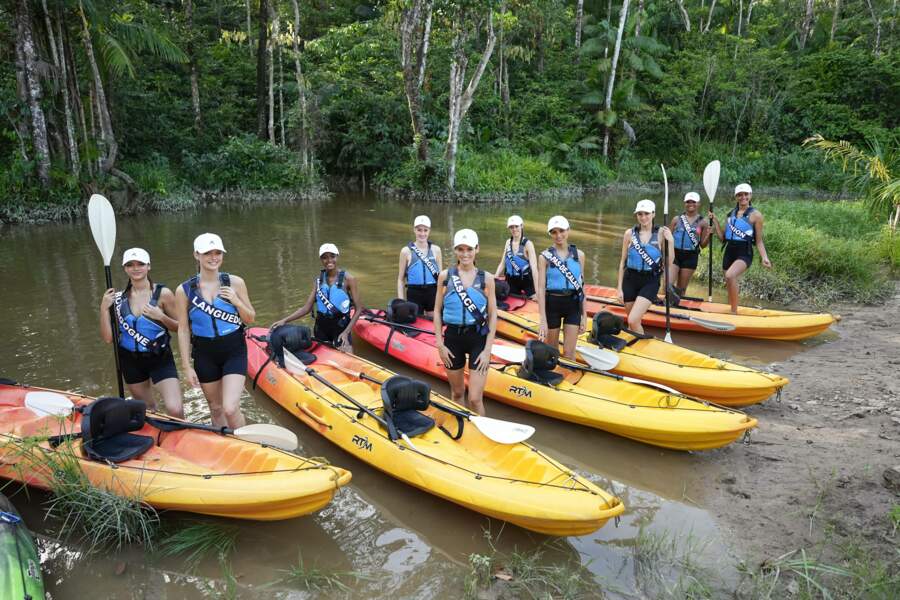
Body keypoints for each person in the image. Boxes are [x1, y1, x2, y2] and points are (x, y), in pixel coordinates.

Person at [175, 233, 255, 429]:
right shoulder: (183, 291)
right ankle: (224, 444)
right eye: (207, 253)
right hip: (205, 354)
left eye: (217, 252)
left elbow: (250, 318)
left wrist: (236, 301)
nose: (213, 257)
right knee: (216, 408)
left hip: (234, 349)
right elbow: (183, 329)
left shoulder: (235, 282)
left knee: (230, 407)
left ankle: (246, 445)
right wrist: (186, 366)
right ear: (196, 255)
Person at [99, 248, 184, 418]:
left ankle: (184, 438)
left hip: (159, 357)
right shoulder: (116, 299)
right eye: (130, 265)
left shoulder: (163, 294)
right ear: (125, 268)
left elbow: (181, 327)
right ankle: (158, 439)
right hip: (130, 361)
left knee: (175, 409)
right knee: (149, 411)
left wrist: (161, 317)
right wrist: (103, 308)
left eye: (140, 264)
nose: (135, 268)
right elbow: (109, 338)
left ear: (148, 266)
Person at [433, 229, 498, 416]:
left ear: (477, 249)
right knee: (457, 393)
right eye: (460, 249)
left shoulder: (487, 279)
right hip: (453, 338)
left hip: (478, 338)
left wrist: (488, 350)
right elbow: (437, 311)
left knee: (475, 399)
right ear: (455, 251)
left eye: (469, 249)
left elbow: (493, 315)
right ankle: (461, 431)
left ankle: (481, 434)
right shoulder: (445, 276)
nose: (465, 253)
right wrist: (440, 344)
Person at [273, 243, 363, 350]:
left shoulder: (349, 279)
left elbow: (358, 309)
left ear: (337, 257)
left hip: (341, 328)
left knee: (348, 358)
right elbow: (306, 308)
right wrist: (284, 320)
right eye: (325, 257)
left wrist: (346, 333)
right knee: (321, 359)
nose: (329, 260)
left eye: (332, 256)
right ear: (321, 259)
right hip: (321, 328)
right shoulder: (318, 281)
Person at [709, 183, 772, 313]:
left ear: (750, 195)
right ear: (736, 197)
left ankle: (734, 312)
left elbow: (759, 241)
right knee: (729, 280)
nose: (743, 197)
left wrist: (764, 257)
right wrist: (715, 222)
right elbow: (723, 238)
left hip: (744, 252)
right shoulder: (730, 214)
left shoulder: (756, 215)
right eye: (740, 195)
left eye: (745, 194)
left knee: (730, 275)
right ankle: (733, 307)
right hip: (729, 251)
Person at [616, 200, 675, 334]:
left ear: (653, 214)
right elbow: (622, 262)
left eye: (647, 214)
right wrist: (619, 288)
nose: (643, 217)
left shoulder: (661, 234)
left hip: (650, 281)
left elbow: (669, 263)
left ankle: (643, 343)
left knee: (632, 320)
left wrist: (670, 241)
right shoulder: (629, 234)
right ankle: (636, 346)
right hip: (630, 280)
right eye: (640, 214)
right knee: (633, 322)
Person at [537, 216, 587, 359]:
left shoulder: (580, 255)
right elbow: (540, 289)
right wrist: (542, 320)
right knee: (552, 353)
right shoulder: (544, 257)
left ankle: (569, 378)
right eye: (554, 232)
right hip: (553, 304)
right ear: (550, 234)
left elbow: (582, 287)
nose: (558, 235)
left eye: (562, 231)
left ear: (568, 230)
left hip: (573, 305)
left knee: (569, 353)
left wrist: (584, 315)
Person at [397, 215, 442, 316]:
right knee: (416, 324)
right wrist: (401, 302)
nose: (422, 233)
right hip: (414, 293)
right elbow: (400, 279)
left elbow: (441, 278)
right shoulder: (406, 251)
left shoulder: (436, 250)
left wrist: (442, 299)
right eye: (419, 230)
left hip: (432, 293)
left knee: (433, 324)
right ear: (414, 230)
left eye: (425, 230)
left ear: (429, 231)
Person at [669, 191, 711, 298]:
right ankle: (664, 307)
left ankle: (677, 309)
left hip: (690, 256)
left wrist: (709, 236)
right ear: (684, 203)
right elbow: (667, 239)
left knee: (680, 290)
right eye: (688, 202)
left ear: (698, 204)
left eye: (693, 202)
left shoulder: (703, 223)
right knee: (667, 286)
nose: (690, 204)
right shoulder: (676, 219)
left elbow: (703, 245)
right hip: (674, 255)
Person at [493, 215, 538, 298]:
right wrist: (495, 276)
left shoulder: (528, 244)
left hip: (526, 280)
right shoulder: (508, 242)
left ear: (522, 226)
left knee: (534, 297)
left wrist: (538, 291)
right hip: (511, 280)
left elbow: (534, 269)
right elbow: (503, 263)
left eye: (516, 226)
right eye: (511, 227)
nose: (514, 229)